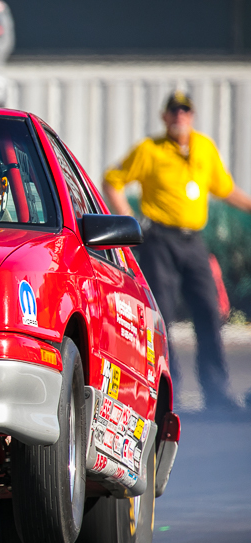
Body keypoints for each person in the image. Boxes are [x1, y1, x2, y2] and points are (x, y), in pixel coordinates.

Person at [103, 91, 251, 413]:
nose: (179, 116)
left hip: (193, 242)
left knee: (209, 313)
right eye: (173, 111)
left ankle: (216, 391)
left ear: (191, 115)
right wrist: (132, 223)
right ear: (164, 116)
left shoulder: (204, 148)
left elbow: (224, 189)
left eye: (184, 111)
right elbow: (113, 180)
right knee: (162, 317)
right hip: (161, 241)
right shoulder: (150, 150)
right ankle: (166, 393)